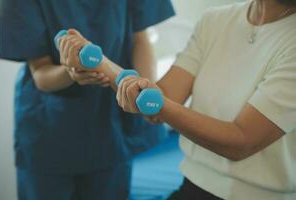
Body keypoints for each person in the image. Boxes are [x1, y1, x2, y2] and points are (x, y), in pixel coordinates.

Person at [115, 0, 296, 199]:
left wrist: (157, 104)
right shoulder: (215, 20)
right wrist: (101, 65)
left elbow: (240, 142)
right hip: (193, 185)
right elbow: (163, 100)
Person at [0, 0, 174, 200]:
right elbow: (40, 73)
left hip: (110, 126)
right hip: (50, 131)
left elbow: (141, 39)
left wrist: (143, 94)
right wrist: (71, 72)